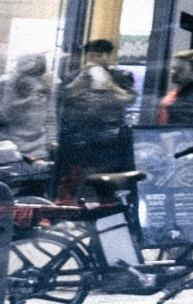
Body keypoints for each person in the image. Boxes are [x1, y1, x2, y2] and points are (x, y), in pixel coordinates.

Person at [56, 38, 136, 193]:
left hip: (109, 141)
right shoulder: (74, 76)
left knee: (106, 187)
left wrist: (111, 86)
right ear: (87, 56)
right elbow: (63, 98)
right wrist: (82, 79)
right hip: (77, 140)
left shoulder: (121, 76)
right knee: (74, 185)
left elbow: (129, 99)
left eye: (106, 54)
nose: (103, 59)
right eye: (97, 55)